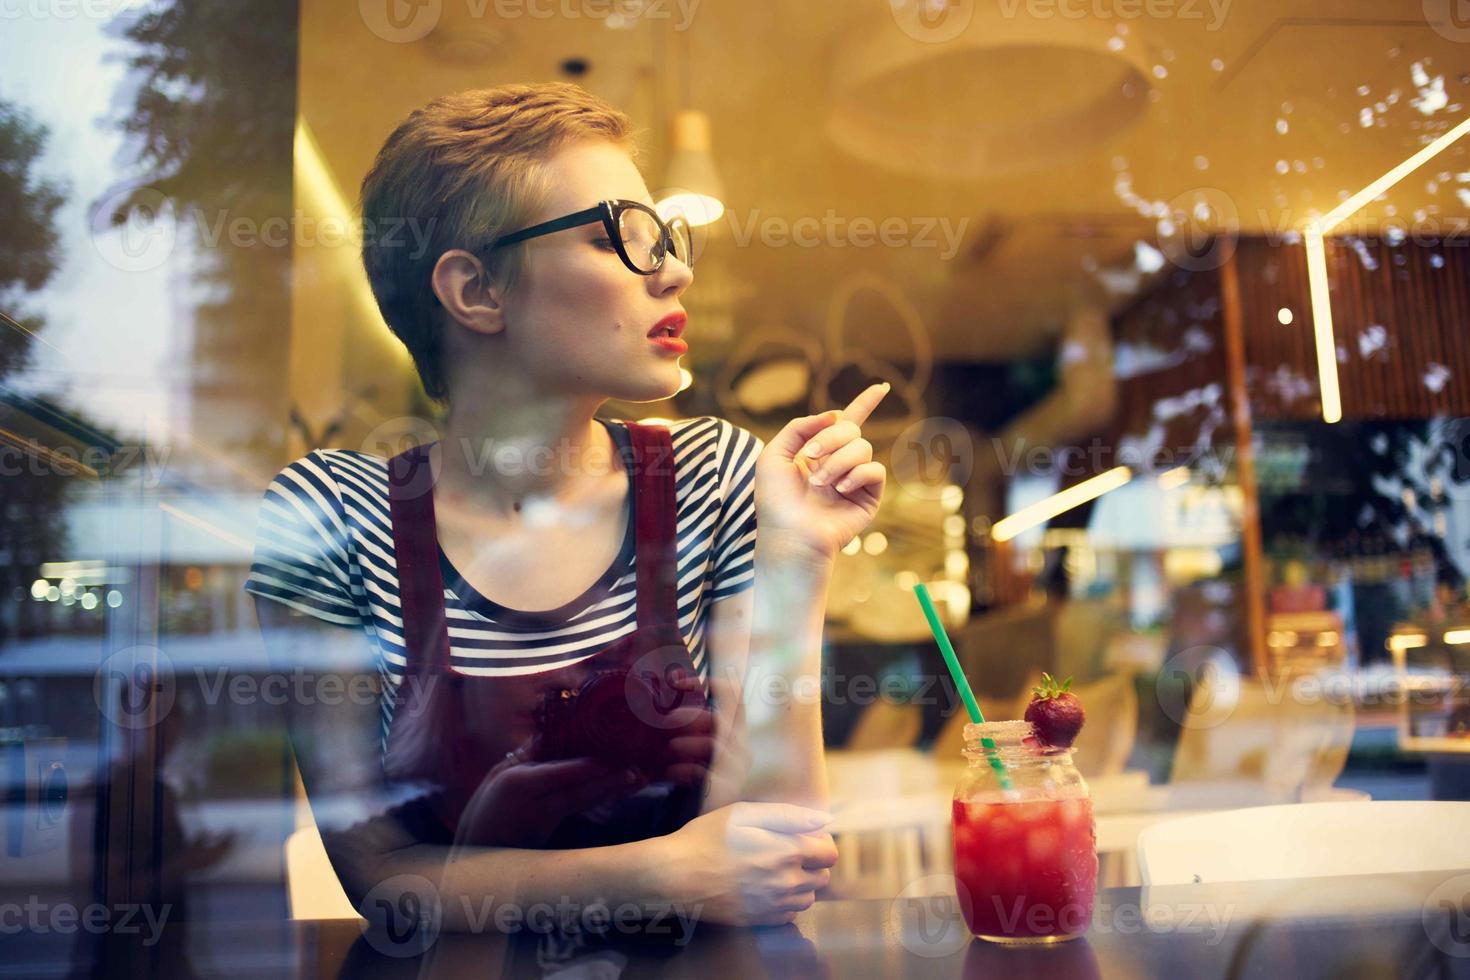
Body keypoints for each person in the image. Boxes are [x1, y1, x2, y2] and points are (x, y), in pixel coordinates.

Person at [246, 82, 889, 942]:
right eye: (615, 238)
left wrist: (798, 560)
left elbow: (774, 856)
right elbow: (381, 881)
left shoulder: (713, 476)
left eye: (664, 237)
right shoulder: (332, 517)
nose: (675, 269)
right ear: (476, 291)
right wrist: (663, 871)